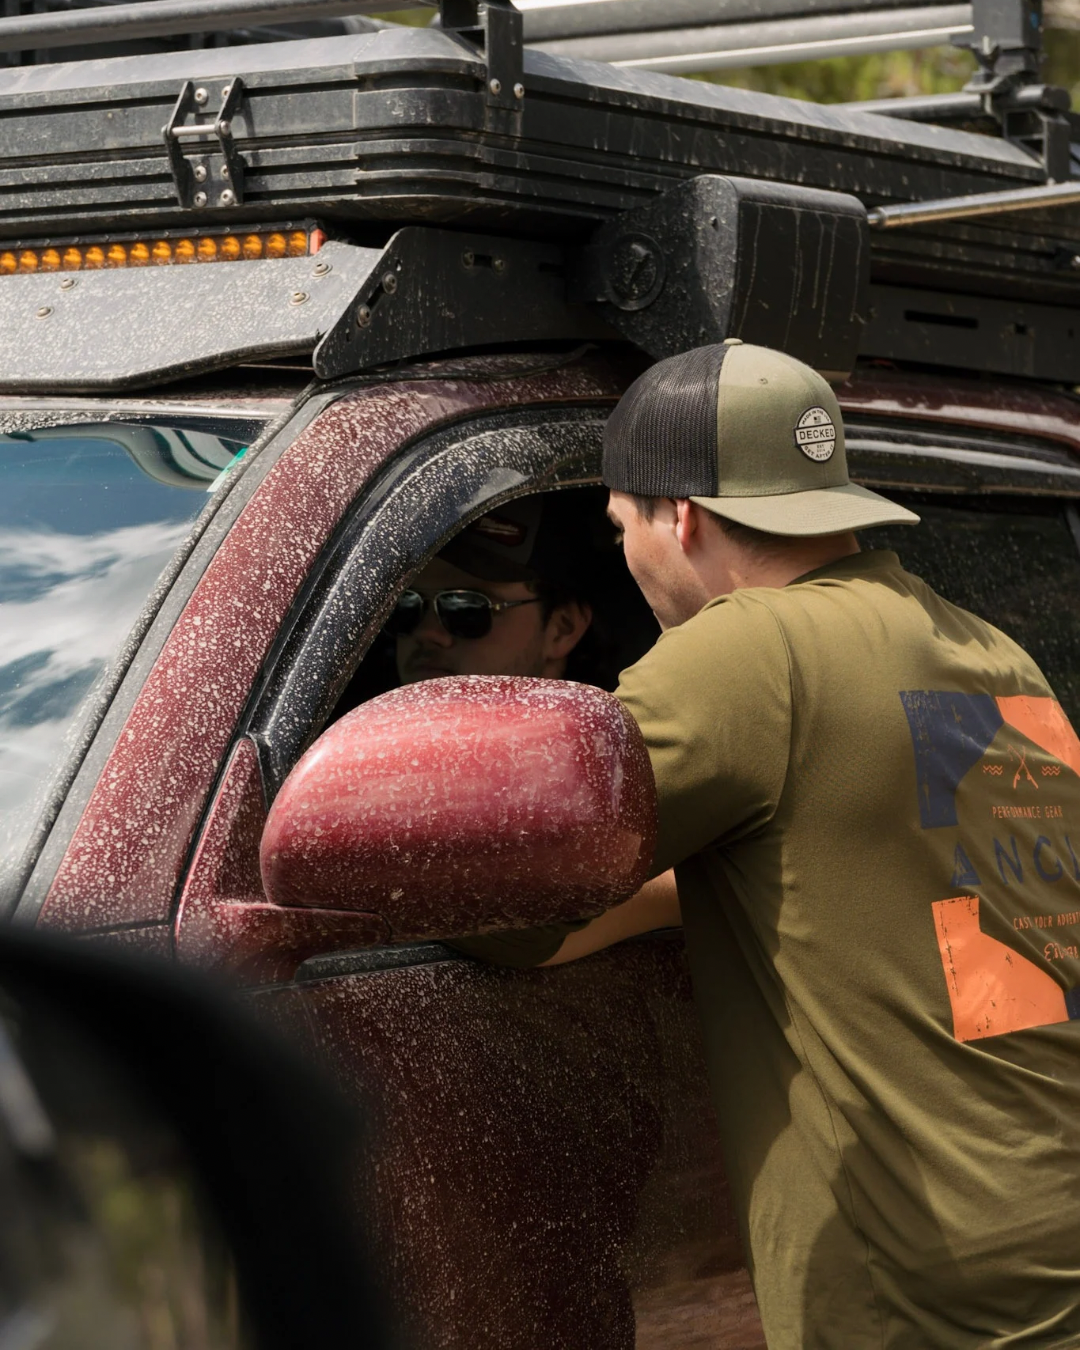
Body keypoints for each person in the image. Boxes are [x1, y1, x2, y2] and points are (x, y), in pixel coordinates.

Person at [459, 340, 1080, 1347]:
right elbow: (943, 913)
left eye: (622, 526)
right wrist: (691, 885)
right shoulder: (992, 654)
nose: (629, 559)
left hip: (922, 1297)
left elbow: (507, 895)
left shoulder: (747, 652)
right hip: (1044, 1235)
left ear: (681, 517)